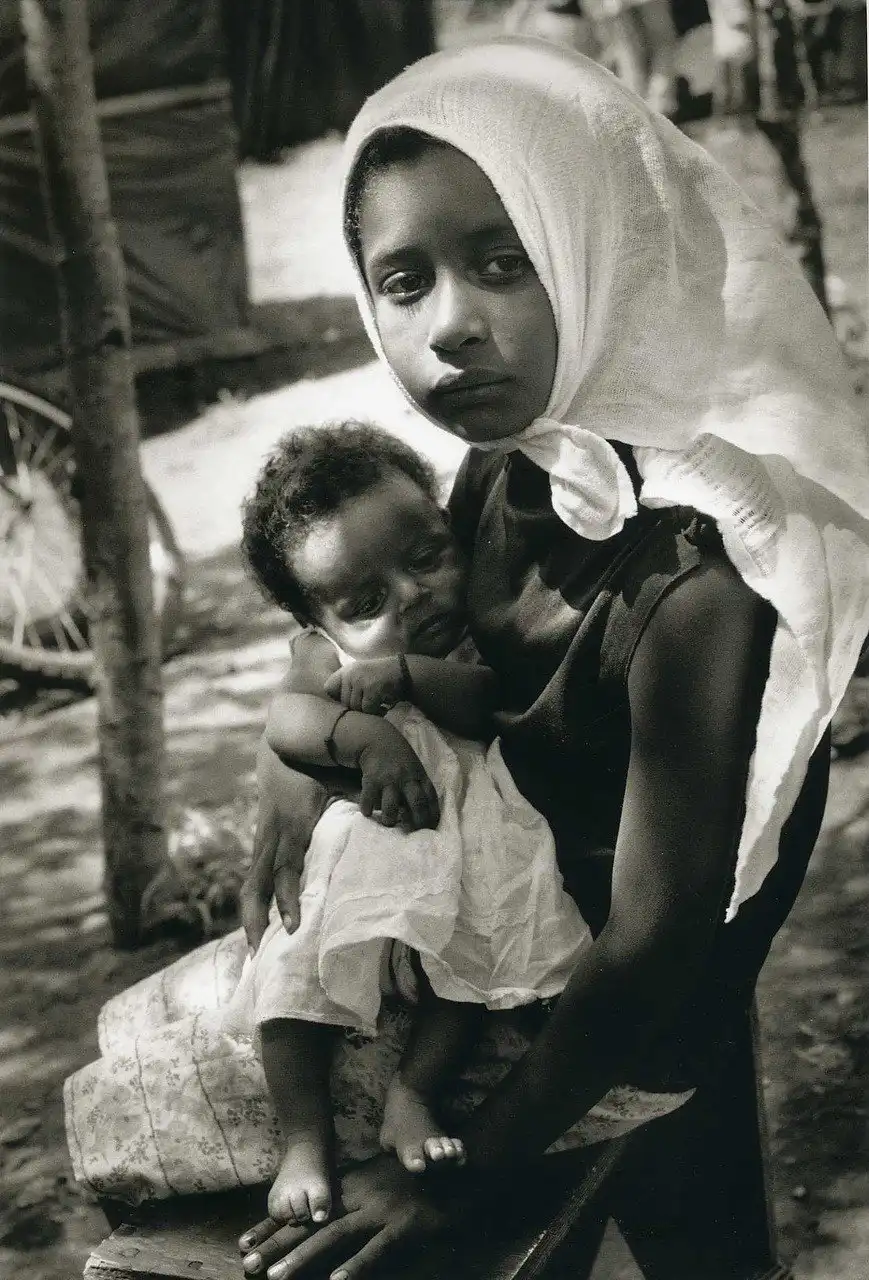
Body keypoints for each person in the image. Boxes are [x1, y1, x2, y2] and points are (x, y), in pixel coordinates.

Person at [236, 35, 869, 1280]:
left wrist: (464, 1175)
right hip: (489, 964)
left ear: (593, 246)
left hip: (614, 1033)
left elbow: (656, 933)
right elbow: (381, 632)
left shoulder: (690, 566)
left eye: (501, 261)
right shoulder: (506, 466)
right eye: (403, 281)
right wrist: (293, 751)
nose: (450, 325)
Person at [232, 419, 591, 1225]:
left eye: (426, 558)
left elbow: (482, 701)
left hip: (464, 839)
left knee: (470, 964)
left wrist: (402, 674)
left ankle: (412, 1096)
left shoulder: (476, 632)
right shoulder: (323, 656)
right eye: (366, 604)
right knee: (292, 967)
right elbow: (286, 719)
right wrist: (365, 737)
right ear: (317, 623)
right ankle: (302, 1139)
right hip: (364, 846)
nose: (411, 596)